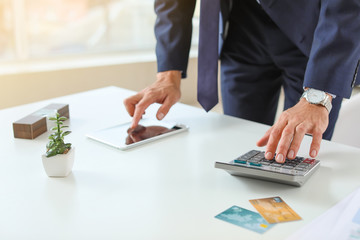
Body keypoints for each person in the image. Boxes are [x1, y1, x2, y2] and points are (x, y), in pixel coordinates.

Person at [124, 0, 360, 163]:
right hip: (241, 31)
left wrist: (319, 94)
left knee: (298, 157)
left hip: (318, 36)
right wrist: (168, 75)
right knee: (239, 148)